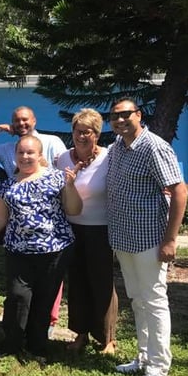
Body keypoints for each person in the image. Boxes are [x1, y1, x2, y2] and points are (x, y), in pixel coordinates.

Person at [0, 135, 82, 365]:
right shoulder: (8, 186)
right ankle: (12, 344)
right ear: (15, 156)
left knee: (44, 300)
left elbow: (74, 209)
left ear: (40, 155)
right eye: (21, 153)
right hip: (18, 250)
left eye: (30, 153)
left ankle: (37, 347)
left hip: (54, 250)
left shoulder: (57, 179)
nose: (25, 157)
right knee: (17, 297)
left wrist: (71, 186)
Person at [106, 98, 187, 376]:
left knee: (154, 302)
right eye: (114, 116)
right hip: (124, 238)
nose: (119, 120)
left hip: (150, 240)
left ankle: (158, 370)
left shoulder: (154, 146)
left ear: (138, 115)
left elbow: (179, 191)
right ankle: (142, 357)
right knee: (137, 300)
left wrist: (170, 239)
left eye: (125, 114)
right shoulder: (117, 147)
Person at [0, 106, 68, 335]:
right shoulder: (7, 149)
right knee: (19, 291)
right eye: (17, 121)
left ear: (34, 120)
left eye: (25, 120)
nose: (22, 124)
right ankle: (17, 334)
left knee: (47, 289)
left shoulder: (52, 142)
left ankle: (48, 325)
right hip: (17, 226)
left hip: (50, 226)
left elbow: (66, 170)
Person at [54, 109, 117, 354]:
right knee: (78, 282)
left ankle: (108, 338)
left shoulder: (108, 158)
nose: (81, 136)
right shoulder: (62, 159)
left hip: (101, 229)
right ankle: (81, 334)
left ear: (97, 135)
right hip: (71, 229)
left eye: (87, 132)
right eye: (78, 131)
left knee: (102, 282)